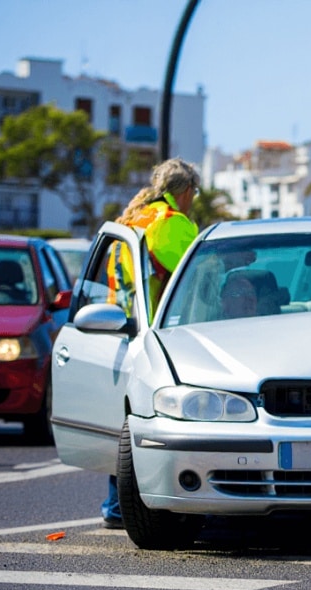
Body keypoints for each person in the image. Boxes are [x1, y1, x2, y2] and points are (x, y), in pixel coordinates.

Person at [102, 157, 201, 530]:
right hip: (161, 335)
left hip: (120, 328)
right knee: (152, 421)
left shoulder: (135, 217)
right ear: (186, 190)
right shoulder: (171, 224)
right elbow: (198, 276)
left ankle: (116, 504)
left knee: (128, 422)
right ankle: (134, 504)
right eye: (194, 192)